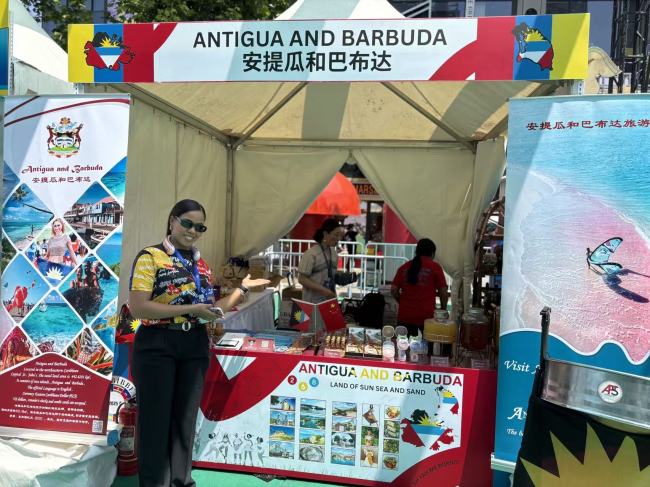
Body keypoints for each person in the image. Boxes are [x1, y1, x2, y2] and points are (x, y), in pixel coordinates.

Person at [129, 199, 268, 487]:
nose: (193, 231)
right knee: (155, 421)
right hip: (157, 344)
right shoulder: (150, 256)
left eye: (200, 227)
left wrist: (242, 289)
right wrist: (191, 309)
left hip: (193, 344)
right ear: (172, 221)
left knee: (185, 422)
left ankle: (181, 482)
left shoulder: (201, 266)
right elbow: (139, 308)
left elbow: (211, 309)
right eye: (187, 223)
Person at [391, 238, 448, 336]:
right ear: (432, 253)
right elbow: (443, 292)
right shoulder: (435, 267)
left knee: (403, 345)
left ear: (417, 251)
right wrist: (443, 309)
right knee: (425, 345)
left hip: (405, 316)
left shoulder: (404, 267)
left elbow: (393, 290)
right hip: (426, 319)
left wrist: (402, 301)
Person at [297, 218, 345, 304]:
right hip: (312, 302)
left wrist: (342, 277)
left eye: (340, 236)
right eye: (336, 235)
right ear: (325, 234)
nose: (338, 238)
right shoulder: (311, 254)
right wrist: (324, 291)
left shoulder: (334, 253)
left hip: (329, 301)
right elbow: (302, 279)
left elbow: (329, 274)